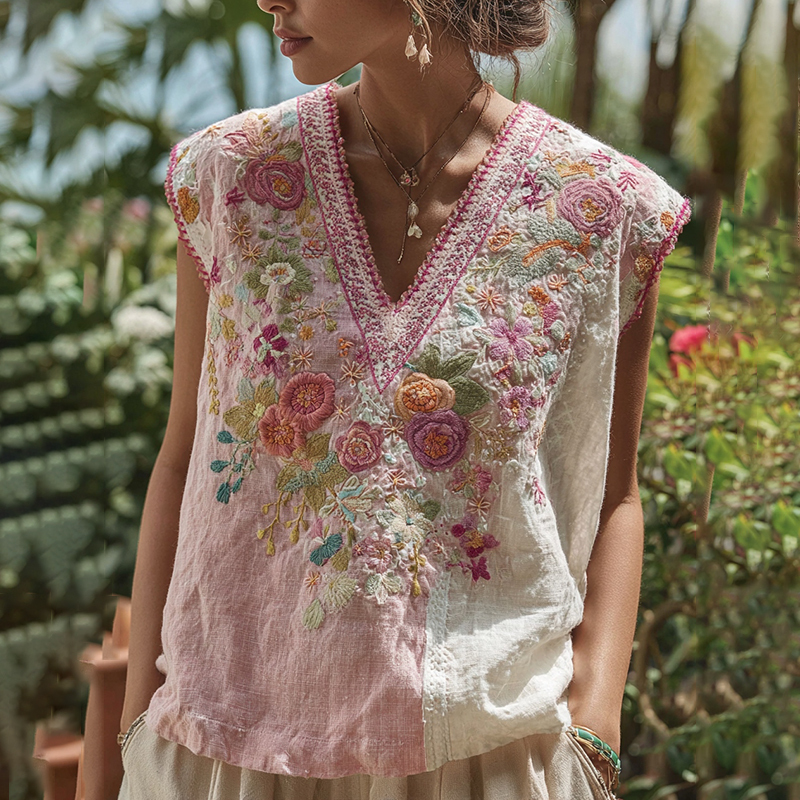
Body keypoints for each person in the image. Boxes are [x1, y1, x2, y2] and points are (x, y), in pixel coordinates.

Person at [112, 0, 692, 798]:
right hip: (223, 749)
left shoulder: (603, 209)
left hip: (488, 751)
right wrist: (133, 729)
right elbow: (182, 456)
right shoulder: (230, 177)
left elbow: (614, 493)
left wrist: (596, 729)